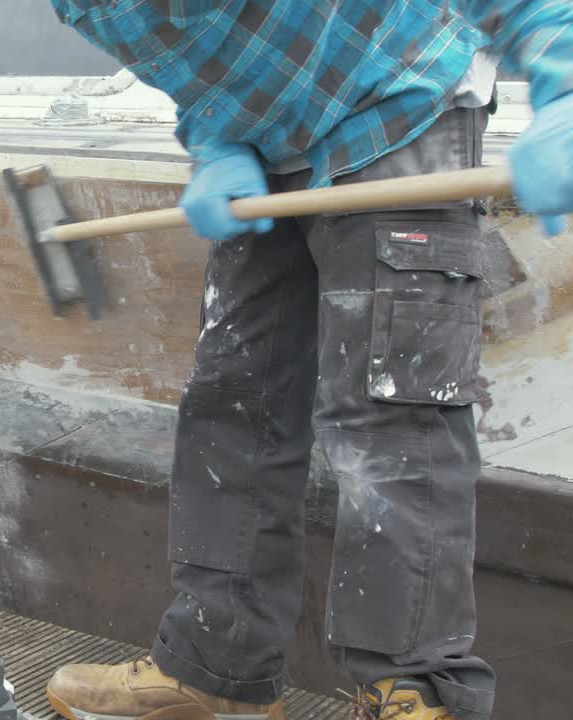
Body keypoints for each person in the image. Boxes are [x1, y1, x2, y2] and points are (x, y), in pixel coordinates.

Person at [42, 3, 573, 720]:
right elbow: (194, 58)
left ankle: (411, 691)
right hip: (267, 150)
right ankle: (213, 670)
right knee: (233, 396)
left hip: (395, 100)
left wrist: (563, 79)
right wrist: (215, 141)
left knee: (390, 410)